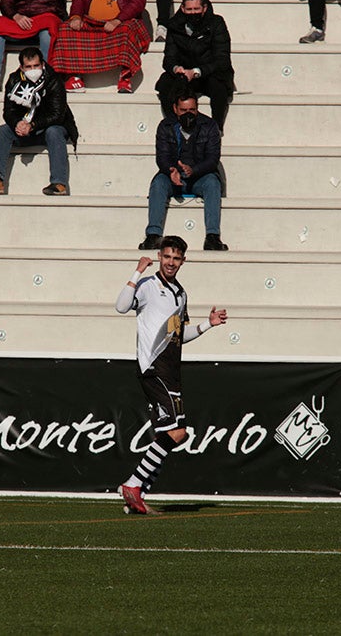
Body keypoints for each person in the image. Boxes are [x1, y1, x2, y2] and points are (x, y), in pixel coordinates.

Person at [114, 235, 228, 514]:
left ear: (183, 261)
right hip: (153, 367)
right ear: (160, 257)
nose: (171, 263)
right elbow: (120, 306)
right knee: (176, 432)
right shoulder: (148, 285)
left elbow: (178, 335)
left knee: (179, 434)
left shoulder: (180, 293)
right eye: (167, 257)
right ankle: (133, 485)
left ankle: (136, 495)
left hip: (171, 370)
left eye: (176, 259)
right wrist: (137, 270)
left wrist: (207, 324)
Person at [0, 46, 78, 196]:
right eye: (28, 67)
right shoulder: (14, 80)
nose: (33, 70)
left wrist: (32, 125)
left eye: (36, 66)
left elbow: (57, 114)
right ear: (21, 67)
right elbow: (8, 111)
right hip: (24, 128)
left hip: (49, 127)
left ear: (43, 64)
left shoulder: (53, 80)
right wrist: (17, 123)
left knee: (54, 131)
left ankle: (59, 183)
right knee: (2, 131)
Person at [140, 90, 226, 250]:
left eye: (192, 110)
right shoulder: (165, 126)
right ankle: (153, 235)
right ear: (175, 109)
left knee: (213, 183)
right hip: (172, 177)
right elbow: (162, 157)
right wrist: (171, 170)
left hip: (200, 177)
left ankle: (213, 237)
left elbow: (213, 158)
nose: (189, 114)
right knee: (158, 183)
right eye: (184, 111)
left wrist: (194, 169)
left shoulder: (209, 125)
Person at [49, 0, 150, 93]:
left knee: (127, 30)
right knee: (66, 29)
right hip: (92, 22)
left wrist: (118, 20)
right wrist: (76, 16)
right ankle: (73, 76)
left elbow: (138, 1)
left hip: (120, 22)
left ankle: (125, 77)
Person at [155, 0, 233, 131]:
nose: (193, 13)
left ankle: (216, 128)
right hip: (184, 73)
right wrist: (175, 68)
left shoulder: (216, 24)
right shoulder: (175, 25)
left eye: (196, 9)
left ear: (204, 8)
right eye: (189, 9)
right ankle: (172, 126)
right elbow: (168, 58)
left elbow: (222, 60)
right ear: (183, 9)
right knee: (165, 84)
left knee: (219, 87)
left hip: (210, 72)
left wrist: (197, 72)